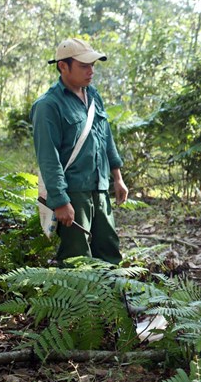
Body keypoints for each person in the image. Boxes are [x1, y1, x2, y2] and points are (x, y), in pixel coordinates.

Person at [31, 38, 128, 265]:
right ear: (63, 66)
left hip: (100, 188)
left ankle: (113, 299)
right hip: (73, 192)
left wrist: (117, 178)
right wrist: (61, 200)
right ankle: (76, 301)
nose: (91, 71)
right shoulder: (48, 105)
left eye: (92, 65)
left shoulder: (93, 96)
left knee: (109, 250)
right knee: (77, 258)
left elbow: (106, 138)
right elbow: (48, 157)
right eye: (84, 66)